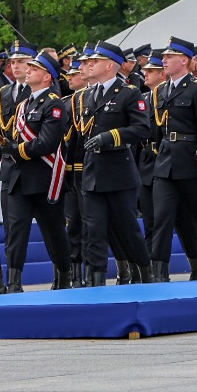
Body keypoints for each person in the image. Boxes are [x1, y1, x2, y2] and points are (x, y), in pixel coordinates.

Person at [73, 42, 154, 286]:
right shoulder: (87, 95)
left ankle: (144, 272)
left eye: (95, 61)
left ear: (109, 65)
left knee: (127, 229)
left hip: (119, 171)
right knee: (93, 230)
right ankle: (96, 281)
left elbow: (142, 129)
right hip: (93, 171)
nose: (89, 65)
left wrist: (109, 137)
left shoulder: (129, 93)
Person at [146, 37, 197, 282]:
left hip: (191, 163)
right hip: (166, 163)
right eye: (164, 57)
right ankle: (159, 272)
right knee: (162, 219)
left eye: (169, 57)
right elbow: (158, 130)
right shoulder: (161, 91)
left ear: (184, 60)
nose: (164, 60)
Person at [0, 51, 73, 292]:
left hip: (44, 179)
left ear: (47, 76)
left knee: (53, 232)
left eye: (34, 68)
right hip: (18, 178)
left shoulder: (54, 104)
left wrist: (16, 149)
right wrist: (8, 146)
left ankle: (63, 275)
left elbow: (47, 143)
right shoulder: (23, 105)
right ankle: (14, 282)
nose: (28, 70)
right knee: (16, 232)